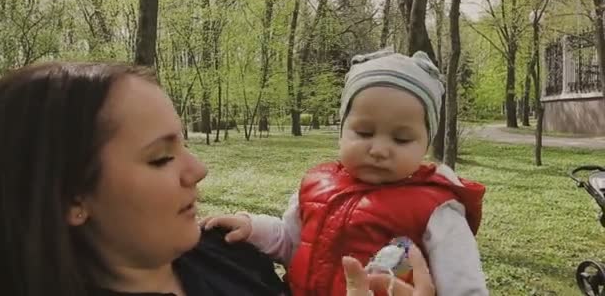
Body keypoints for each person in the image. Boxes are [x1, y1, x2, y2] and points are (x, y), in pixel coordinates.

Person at [0, 61, 435, 296]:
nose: (198, 170)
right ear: (72, 197)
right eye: (161, 158)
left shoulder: (230, 254)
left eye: (184, 144)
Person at [201, 49, 489, 295]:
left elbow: (464, 286)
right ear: (341, 131)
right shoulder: (318, 185)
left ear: (426, 144)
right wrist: (252, 227)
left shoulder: (437, 209)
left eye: (401, 139)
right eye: (364, 132)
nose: (379, 149)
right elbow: (292, 242)